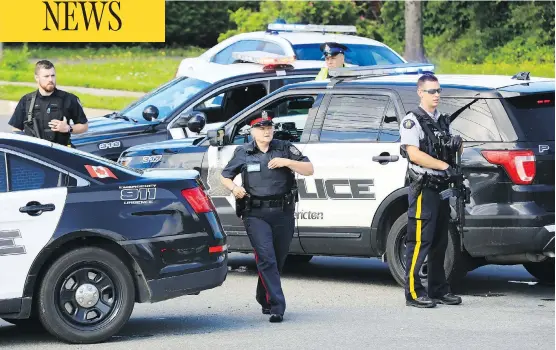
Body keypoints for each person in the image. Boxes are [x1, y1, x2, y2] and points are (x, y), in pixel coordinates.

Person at [220, 110, 314, 323]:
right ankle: (277, 307)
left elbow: (309, 169)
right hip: (255, 214)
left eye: (269, 127)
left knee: (277, 259)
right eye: (261, 128)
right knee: (266, 258)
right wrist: (234, 188)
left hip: (283, 212)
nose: (266, 131)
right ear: (252, 131)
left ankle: (264, 296)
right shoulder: (243, 152)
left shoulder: (284, 148)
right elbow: (225, 176)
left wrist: (287, 162)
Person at [399, 73, 463, 308]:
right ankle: (414, 293)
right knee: (419, 242)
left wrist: (457, 147)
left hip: (442, 187)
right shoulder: (412, 121)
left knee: (439, 241)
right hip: (424, 187)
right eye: (431, 91)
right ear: (420, 92)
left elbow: (449, 150)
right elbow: (413, 153)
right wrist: (443, 165)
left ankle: (438, 289)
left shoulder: (442, 121)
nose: (436, 95)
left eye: (438, 91)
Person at [9, 60, 88, 146]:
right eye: (46, 76)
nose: (50, 79)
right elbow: (16, 129)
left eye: (53, 76)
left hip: (61, 152)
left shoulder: (69, 99)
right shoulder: (26, 100)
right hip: (34, 153)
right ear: (37, 78)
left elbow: (84, 126)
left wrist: (68, 128)